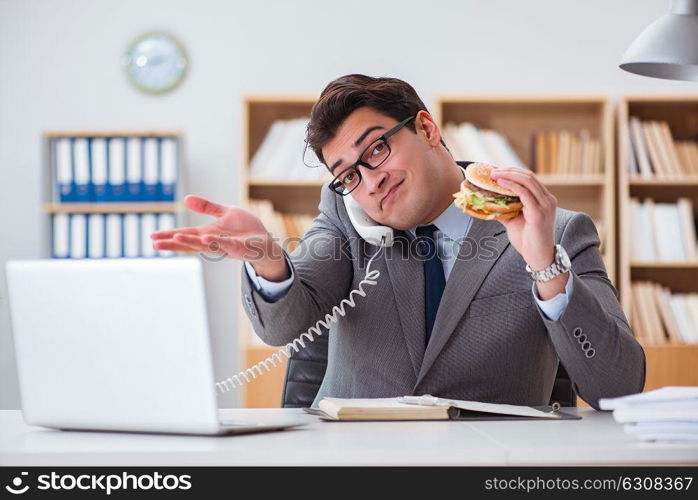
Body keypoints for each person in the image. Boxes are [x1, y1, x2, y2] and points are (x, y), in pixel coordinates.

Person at [151, 74, 645, 410]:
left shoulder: (556, 232)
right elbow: (287, 324)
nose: (370, 183)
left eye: (377, 150)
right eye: (348, 175)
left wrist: (545, 268)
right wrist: (268, 261)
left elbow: (617, 389)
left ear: (427, 127)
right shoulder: (346, 223)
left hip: (492, 466)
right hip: (354, 467)